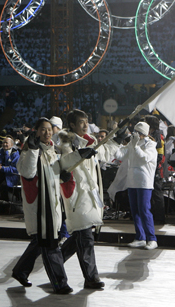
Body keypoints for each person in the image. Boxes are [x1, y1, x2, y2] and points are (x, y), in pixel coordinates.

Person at [58, 109, 127, 290]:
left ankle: (54, 261)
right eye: (81, 122)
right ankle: (91, 278)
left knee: (81, 236)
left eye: (86, 121)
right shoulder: (66, 143)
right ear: (72, 124)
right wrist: (80, 154)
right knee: (85, 236)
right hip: (77, 195)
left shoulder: (92, 142)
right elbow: (64, 163)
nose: (85, 124)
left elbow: (105, 153)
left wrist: (118, 138)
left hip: (91, 195)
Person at [11, 118, 74, 294]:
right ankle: (60, 282)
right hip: (40, 206)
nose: (47, 133)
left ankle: (20, 270)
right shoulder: (30, 150)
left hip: (52, 204)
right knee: (50, 244)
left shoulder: (52, 150)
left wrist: (62, 176)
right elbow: (28, 172)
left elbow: (51, 174)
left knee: (41, 241)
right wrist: (31, 149)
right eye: (43, 130)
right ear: (36, 132)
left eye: (49, 129)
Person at [114, 121, 158, 250]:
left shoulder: (151, 147)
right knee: (135, 211)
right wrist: (116, 142)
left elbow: (144, 158)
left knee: (144, 210)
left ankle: (152, 238)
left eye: (139, 133)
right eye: (135, 132)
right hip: (132, 181)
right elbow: (119, 155)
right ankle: (140, 237)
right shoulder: (132, 144)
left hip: (144, 182)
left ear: (144, 134)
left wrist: (135, 146)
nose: (136, 135)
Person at [0, 135, 21, 206]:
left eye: (6, 143)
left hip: (11, 176)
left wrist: (3, 168)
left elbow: (15, 169)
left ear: (11, 144)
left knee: (3, 186)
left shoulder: (15, 154)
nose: (5, 144)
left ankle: (6, 207)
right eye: (3, 143)